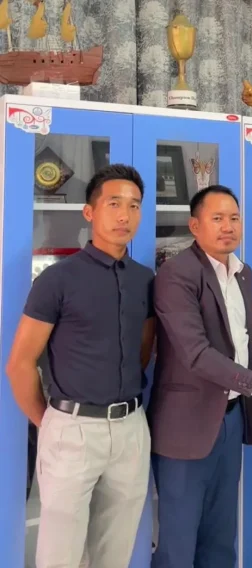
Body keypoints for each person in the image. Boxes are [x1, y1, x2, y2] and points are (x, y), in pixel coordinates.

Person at [6, 164, 155, 568]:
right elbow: (20, 364)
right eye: (114, 204)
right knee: (61, 554)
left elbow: (143, 350)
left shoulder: (145, 279)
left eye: (134, 206)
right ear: (89, 212)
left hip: (131, 429)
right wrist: (50, 422)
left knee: (115, 550)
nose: (125, 215)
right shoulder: (58, 280)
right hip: (71, 429)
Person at [148, 185, 252, 568]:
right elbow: (197, 354)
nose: (228, 226)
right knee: (178, 541)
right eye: (217, 218)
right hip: (186, 428)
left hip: (231, 419)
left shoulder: (242, 273)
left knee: (220, 535)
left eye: (234, 218)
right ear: (195, 226)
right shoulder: (176, 275)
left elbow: (243, 337)